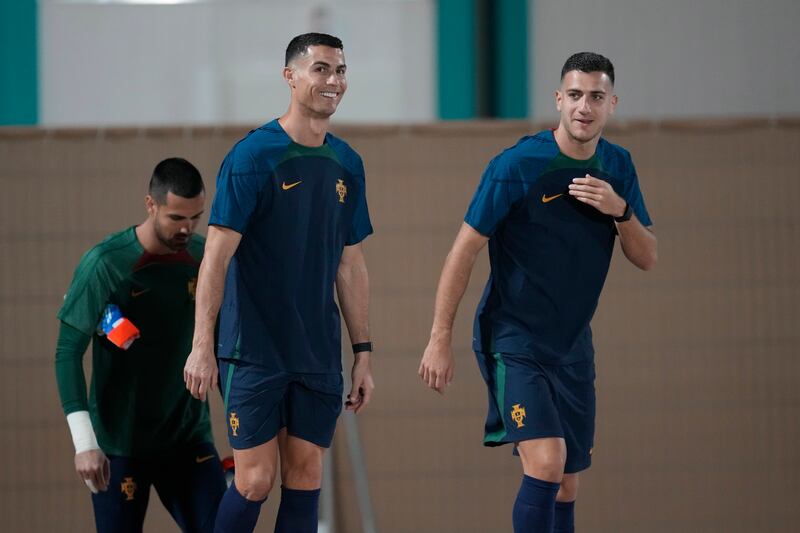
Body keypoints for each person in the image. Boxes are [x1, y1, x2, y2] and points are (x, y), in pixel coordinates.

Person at [419, 52, 658, 532]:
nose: (583, 107)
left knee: (568, 482)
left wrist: (620, 209)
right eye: (574, 96)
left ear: (611, 103)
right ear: (558, 100)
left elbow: (647, 255)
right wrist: (439, 337)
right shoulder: (516, 165)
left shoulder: (618, 166)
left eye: (595, 97)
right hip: (513, 338)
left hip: (571, 346)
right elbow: (462, 253)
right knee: (547, 461)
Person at [182, 32, 374, 533]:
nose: (333, 80)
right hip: (253, 350)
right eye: (321, 69)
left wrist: (363, 352)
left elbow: (349, 264)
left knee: (306, 476)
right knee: (254, 481)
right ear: (290, 77)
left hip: (315, 352)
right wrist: (203, 344)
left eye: (340, 71)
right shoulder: (253, 157)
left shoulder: (347, 165)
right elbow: (215, 259)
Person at [54, 157, 227, 532]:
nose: (187, 228)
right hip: (120, 443)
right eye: (176, 218)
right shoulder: (105, 264)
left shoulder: (204, 259)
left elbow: (228, 345)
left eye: (195, 217)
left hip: (187, 437)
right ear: (151, 205)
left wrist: (242, 430)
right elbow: (67, 353)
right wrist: (85, 442)